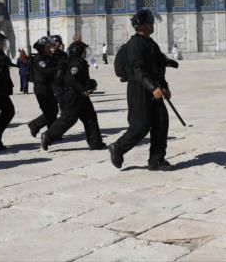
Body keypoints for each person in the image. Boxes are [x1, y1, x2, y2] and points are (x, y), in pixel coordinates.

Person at [109, 9, 178, 171]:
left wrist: (164, 86)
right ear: (143, 25)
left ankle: (156, 159)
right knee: (140, 126)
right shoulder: (134, 44)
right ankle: (118, 147)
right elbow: (138, 70)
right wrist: (152, 87)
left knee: (161, 122)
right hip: (139, 89)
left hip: (154, 87)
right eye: (150, 22)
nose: (153, 25)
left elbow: (158, 67)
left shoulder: (150, 42)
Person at [41, 41, 106, 151]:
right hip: (73, 96)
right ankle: (48, 136)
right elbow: (72, 81)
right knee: (68, 119)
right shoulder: (75, 64)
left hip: (81, 96)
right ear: (79, 51)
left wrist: (89, 84)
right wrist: (86, 86)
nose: (86, 52)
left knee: (90, 118)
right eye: (84, 50)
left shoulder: (80, 61)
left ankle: (95, 142)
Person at [27, 36, 60, 138]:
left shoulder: (47, 57)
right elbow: (46, 71)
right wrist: (57, 68)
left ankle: (52, 132)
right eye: (49, 46)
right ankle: (34, 125)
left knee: (53, 109)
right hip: (41, 88)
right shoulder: (39, 59)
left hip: (47, 86)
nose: (51, 48)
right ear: (43, 48)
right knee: (49, 111)